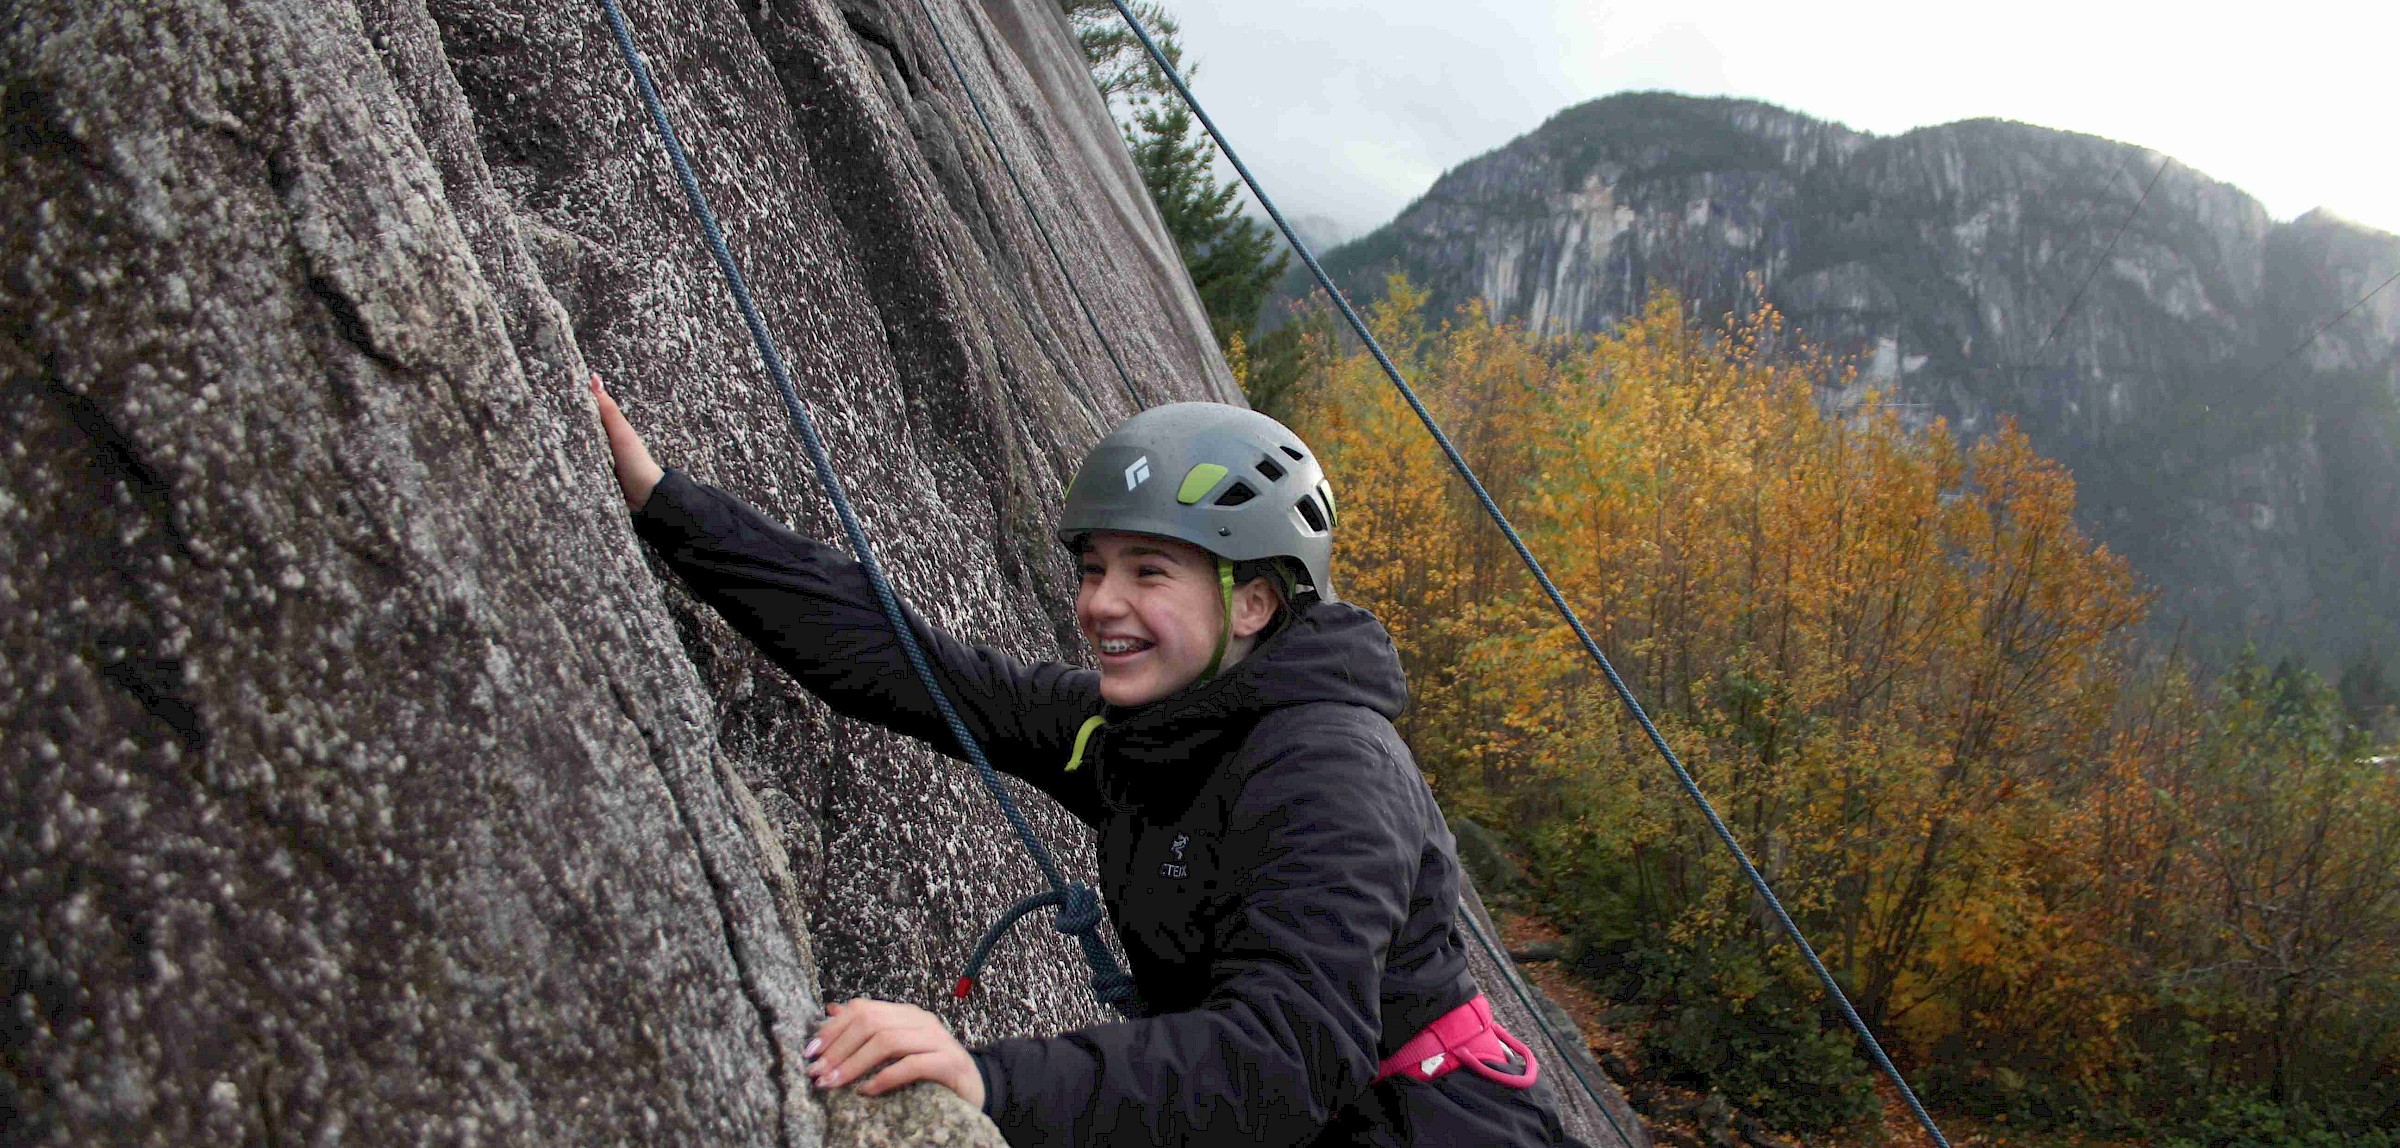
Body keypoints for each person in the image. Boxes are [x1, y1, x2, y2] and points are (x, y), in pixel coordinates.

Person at [592, 376, 1587, 1146]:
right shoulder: (1150, 726)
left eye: (1149, 570)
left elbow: (1285, 1056)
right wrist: (664, 503)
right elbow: (918, 668)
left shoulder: (1328, 768)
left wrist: (989, 1082)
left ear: (1252, 601)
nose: (1101, 602)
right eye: (1094, 567)